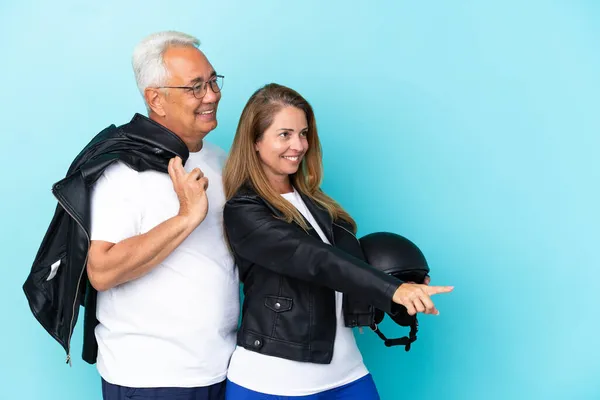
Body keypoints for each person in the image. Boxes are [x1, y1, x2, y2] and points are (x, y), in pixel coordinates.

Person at [221, 83, 453, 399]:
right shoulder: (245, 211)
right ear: (255, 141)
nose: (299, 145)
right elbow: (316, 259)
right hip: (272, 383)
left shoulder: (321, 206)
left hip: (346, 374)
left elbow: (347, 275)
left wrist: (402, 290)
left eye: (304, 134)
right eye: (284, 134)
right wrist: (393, 289)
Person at [86, 31, 238, 399]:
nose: (212, 95)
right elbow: (100, 271)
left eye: (214, 81)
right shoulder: (123, 171)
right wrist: (186, 217)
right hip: (151, 376)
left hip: (223, 367)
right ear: (156, 98)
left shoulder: (221, 160)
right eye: (196, 87)